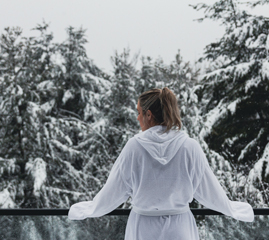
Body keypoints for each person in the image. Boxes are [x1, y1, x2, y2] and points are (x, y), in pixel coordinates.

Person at [68, 87, 254, 240]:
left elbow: (115, 190)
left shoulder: (134, 147)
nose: (138, 118)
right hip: (180, 229)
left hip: (143, 228)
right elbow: (208, 190)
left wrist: (90, 209)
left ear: (149, 115)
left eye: (139, 113)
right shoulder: (189, 147)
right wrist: (232, 209)